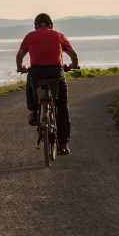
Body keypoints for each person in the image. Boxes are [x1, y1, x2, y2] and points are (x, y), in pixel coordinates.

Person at [16, 13, 79, 155]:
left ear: (36, 25)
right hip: (56, 73)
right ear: (51, 25)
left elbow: (19, 55)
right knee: (62, 106)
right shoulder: (59, 36)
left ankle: (34, 110)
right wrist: (73, 65)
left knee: (30, 83)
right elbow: (73, 55)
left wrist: (21, 68)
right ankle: (63, 144)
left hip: (36, 73)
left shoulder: (30, 36)